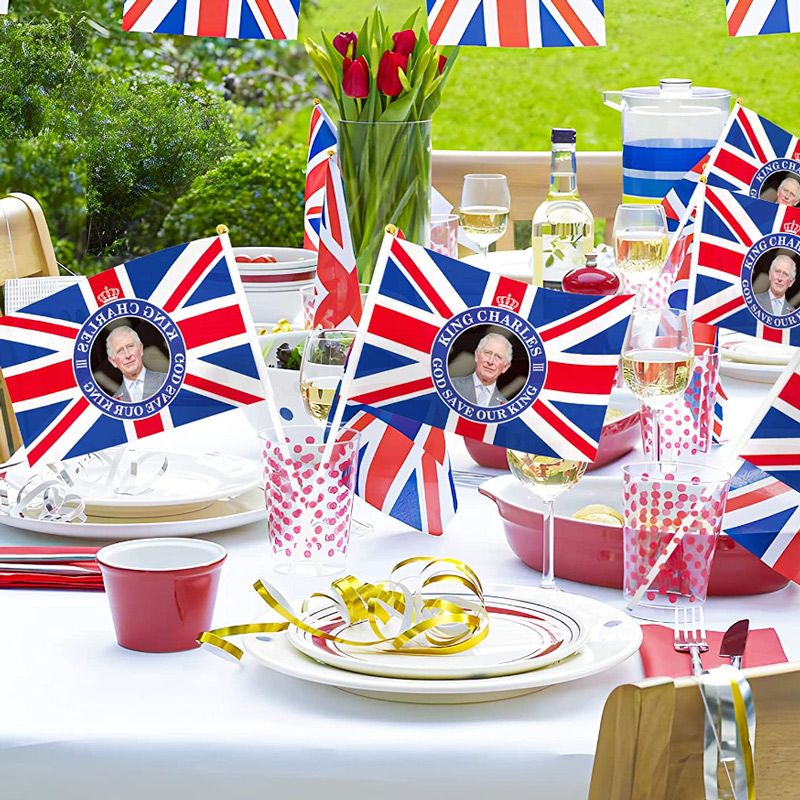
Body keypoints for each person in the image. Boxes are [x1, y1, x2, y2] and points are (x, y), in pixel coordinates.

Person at [106, 325, 167, 402]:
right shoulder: (114, 403)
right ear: (113, 361)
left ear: (141, 349)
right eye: (120, 351)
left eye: (130, 346)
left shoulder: (166, 382)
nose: (127, 355)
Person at [451, 333, 513, 407]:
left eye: (498, 357)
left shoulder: (505, 407)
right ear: (477, 355)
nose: (490, 361)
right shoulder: (451, 386)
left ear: (505, 367)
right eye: (488, 353)